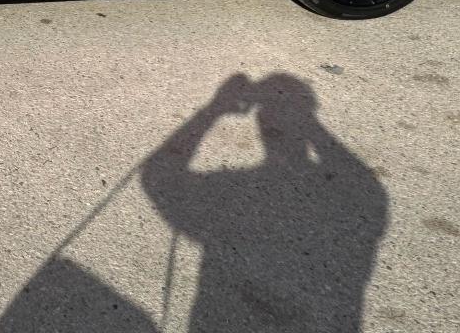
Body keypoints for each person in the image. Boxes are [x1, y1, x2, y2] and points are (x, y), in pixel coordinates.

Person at [141, 74, 388, 332]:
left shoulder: (230, 192)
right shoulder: (356, 199)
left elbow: (159, 176)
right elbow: (362, 184)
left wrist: (215, 108)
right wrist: (308, 123)